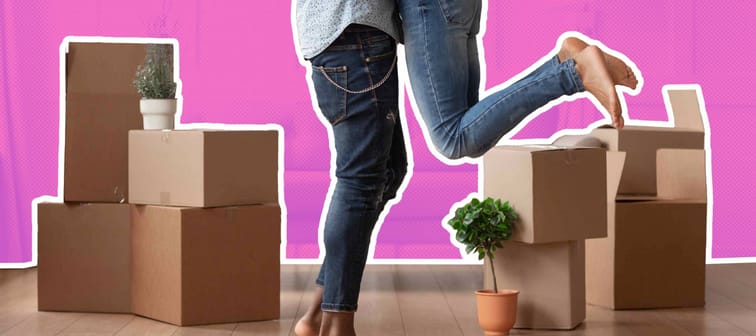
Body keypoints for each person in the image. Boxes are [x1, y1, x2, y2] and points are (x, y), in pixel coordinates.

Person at [294, 1, 639, 335]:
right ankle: (316, 313)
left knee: (418, 153)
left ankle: (570, 71)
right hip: (388, 22)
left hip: (353, 27)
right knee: (387, 172)